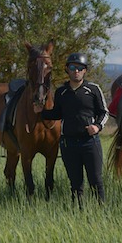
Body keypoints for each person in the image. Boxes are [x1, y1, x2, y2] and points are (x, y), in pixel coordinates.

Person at [41, 53, 109, 207]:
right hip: (68, 144)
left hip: (90, 143)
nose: (76, 71)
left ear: (85, 70)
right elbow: (57, 113)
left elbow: (104, 112)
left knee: (96, 181)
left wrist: (97, 126)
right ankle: (78, 213)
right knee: (75, 184)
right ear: (67, 70)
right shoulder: (61, 92)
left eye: (80, 68)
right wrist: (41, 112)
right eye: (72, 67)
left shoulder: (93, 89)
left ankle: (102, 212)